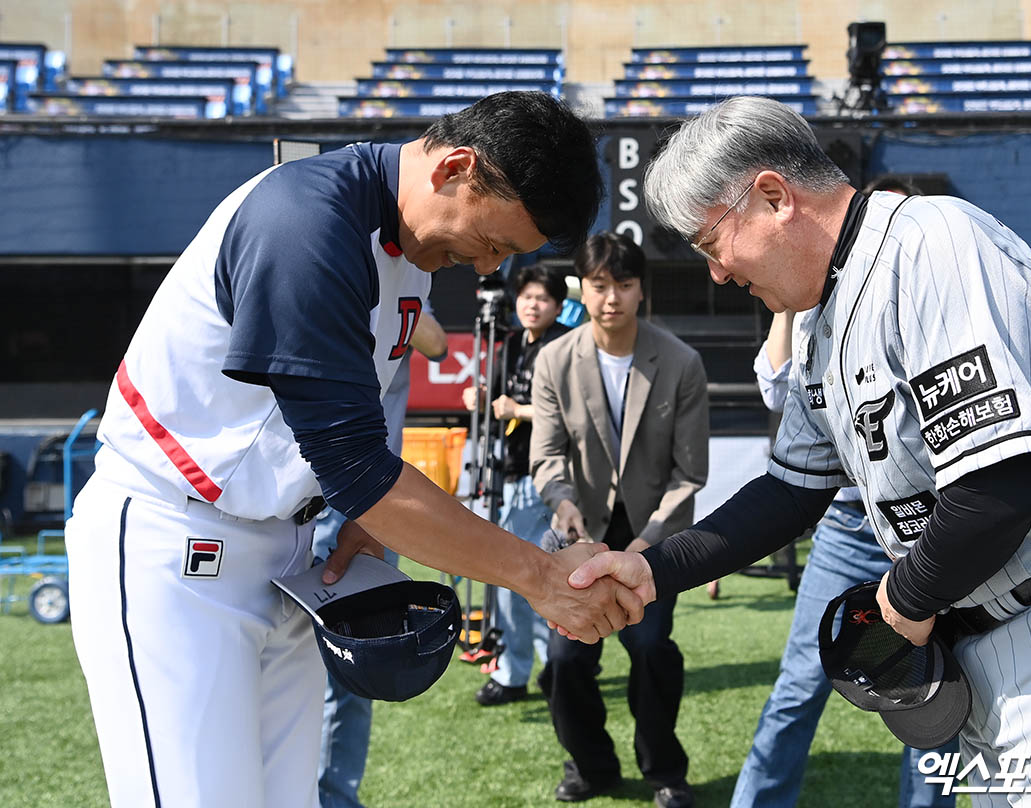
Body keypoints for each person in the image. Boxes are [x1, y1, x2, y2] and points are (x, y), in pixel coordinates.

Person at [570, 96, 1031, 806]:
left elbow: (1001, 485)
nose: (716, 272)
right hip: (995, 629)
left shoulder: (933, 243)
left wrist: (899, 606)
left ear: (773, 195)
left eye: (712, 243)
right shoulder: (819, 318)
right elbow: (791, 490)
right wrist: (653, 571)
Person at [64, 92, 643, 808]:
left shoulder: (404, 235)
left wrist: (371, 518)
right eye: (497, 243)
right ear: (456, 168)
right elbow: (356, 467)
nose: (490, 269)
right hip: (174, 545)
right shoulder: (305, 221)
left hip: (287, 552)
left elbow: (353, 432)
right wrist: (540, 576)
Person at [732, 306, 956, 808]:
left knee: (934, 694)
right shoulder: (812, 297)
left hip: (932, 529)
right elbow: (774, 388)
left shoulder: (912, 280)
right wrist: (788, 305)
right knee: (798, 687)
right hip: (848, 527)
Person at [530, 232, 708, 808]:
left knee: (653, 649)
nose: (612, 298)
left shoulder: (681, 362)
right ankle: (591, 765)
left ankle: (664, 770)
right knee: (564, 659)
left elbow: (689, 474)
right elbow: (547, 454)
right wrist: (562, 502)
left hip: (653, 540)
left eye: (624, 285)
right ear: (582, 287)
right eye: (600, 285)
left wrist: (649, 539)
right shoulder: (554, 359)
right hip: (579, 537)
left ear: (640, 289)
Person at [312, 306, 446, 808]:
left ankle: (336, 797)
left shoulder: (406, 269)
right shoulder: (323, 262)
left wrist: (399, 310)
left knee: (353, 667)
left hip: (372, 510)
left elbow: (437, 343)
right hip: (286, 504)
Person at [463, 264, 570, 706]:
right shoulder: (507, 344)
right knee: (520, 574)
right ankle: (535, 669)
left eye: (542, 298)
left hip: (550, 475)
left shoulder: (567, 344)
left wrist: (519, 410)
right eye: (526, 296)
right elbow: (496, 398)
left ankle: (527, 671)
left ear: (560, 306)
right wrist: (482, 399)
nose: (532, 305)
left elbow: (574, 412)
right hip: (507, 472)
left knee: (528, 575)